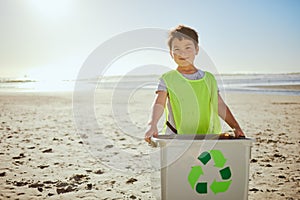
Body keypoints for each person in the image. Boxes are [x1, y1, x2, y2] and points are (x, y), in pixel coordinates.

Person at [144, 25, 245, 143]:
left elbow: (219, 105)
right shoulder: (167, 79)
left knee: (206, 161)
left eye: (188, 47)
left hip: (207, 137)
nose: (182, 53)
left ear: (196, 49)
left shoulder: (209, 79)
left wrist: (235, 126)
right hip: (178, 138)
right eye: (177, 49)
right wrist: (152, 124)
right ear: (171, 53)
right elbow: (159, 103)